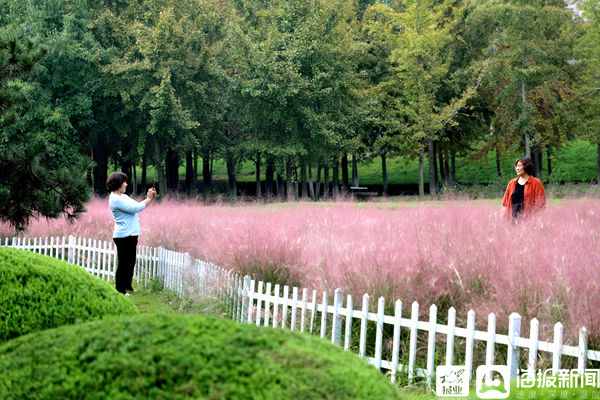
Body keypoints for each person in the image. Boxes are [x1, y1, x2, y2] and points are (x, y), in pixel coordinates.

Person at [106, 172, 156, 295]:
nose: (126, 184)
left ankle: (127, 286)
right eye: (124, 182)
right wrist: (149, 199)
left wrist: (149, 197)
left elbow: (136, 204)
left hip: (131, 234)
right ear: (118, 184)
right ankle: (120, 290)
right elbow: (135, 209)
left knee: (131, 262)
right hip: (123, 236)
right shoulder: (115, 199)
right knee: (123, 263)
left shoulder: (122, 196)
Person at [502, 157, 546, 222]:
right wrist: (503, 221)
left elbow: (541, 205)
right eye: (516, 166)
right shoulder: (511, 183)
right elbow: (505, 204)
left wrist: (537, 222)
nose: (517, 168)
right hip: (511, 221)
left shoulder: (536, 183)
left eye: (519, 166)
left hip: (528, 221)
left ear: (526, 167)